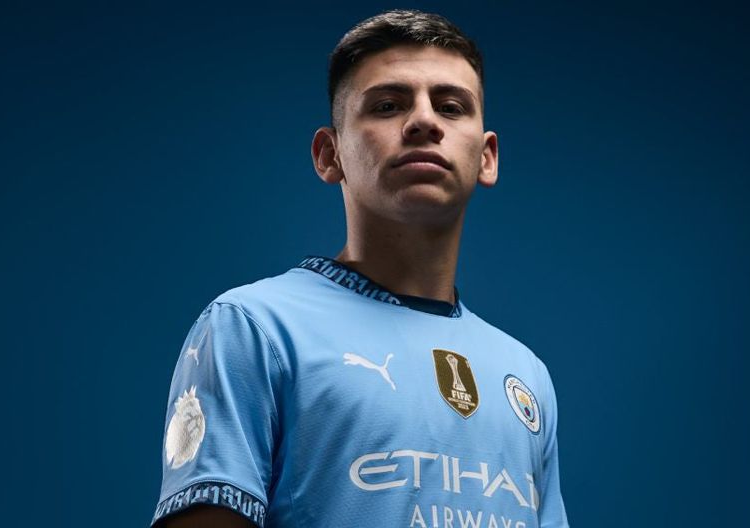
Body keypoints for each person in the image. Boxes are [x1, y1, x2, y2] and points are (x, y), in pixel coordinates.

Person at [150, 8, 570, 528]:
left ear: (487, 157)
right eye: (388, 105)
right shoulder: (254, 328)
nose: (424, 121)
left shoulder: (526, 373)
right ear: (330, 155)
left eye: (451, 106)